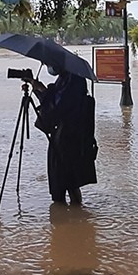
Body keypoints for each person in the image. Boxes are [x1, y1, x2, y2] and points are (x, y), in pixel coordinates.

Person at [28, 66, 97, 205]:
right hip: (66, 134)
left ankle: (69, 217)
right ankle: (74, 215)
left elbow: (58, 106)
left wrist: (41, 89)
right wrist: (37, 88)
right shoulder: (66, 77)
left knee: (66, 179)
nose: (50, 67)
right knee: (67, 179)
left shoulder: (73, 79)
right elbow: (53, 100)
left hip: (69, 136)